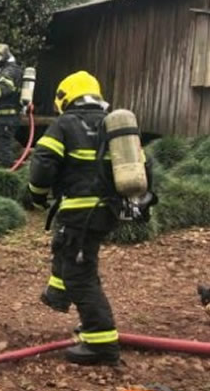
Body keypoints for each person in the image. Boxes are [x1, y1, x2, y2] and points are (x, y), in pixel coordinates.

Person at [24, 70, 156, 366]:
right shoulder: (114, 127)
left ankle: (101, 342)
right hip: (106, 211)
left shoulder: (65, 124)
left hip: (80, 211)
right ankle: (57, 295)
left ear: (65, 97)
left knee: (80, 272)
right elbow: (145, 170)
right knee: (68, 250)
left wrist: (36, 194)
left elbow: (43, 163)